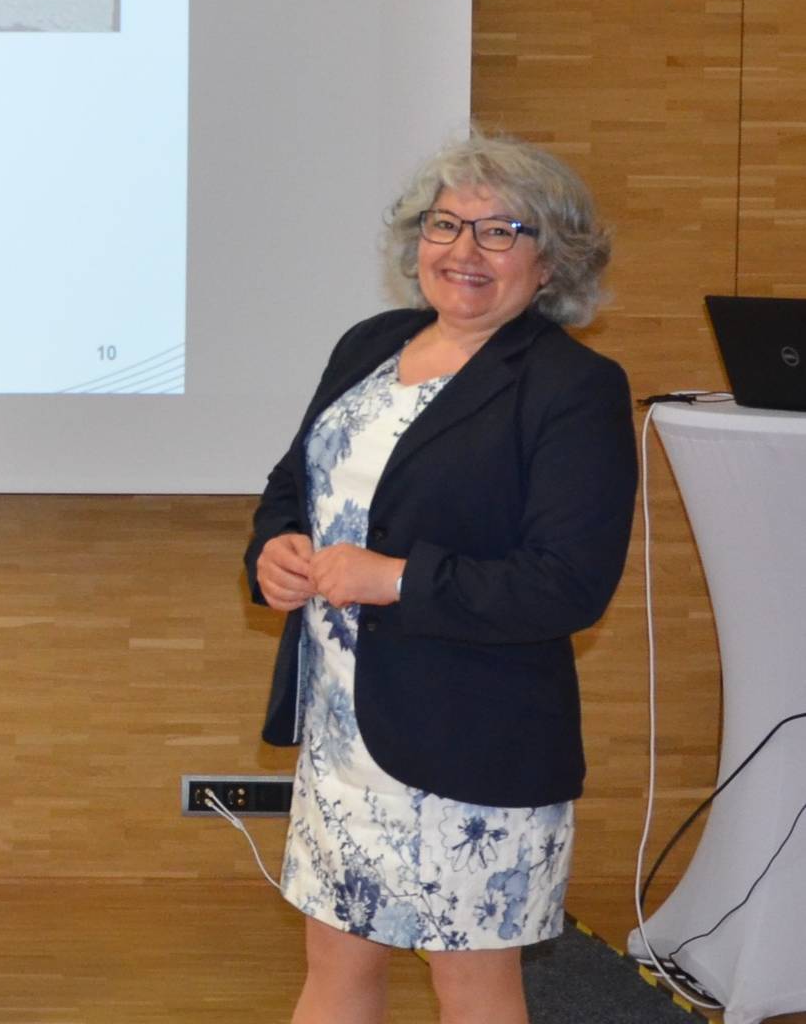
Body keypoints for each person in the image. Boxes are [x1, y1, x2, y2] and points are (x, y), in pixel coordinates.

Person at [245, 131, 633, 1023]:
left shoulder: (572, 387)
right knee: (334, 964)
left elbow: (566, 585)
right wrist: (275, 551)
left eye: (500, 232)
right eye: (445, 224)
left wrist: (395, 580)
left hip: (473, 739)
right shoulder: (369, 346)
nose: (462, 251)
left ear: (550, 264)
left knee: (471, 986)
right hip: (343, 730)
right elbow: (289, 486)